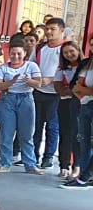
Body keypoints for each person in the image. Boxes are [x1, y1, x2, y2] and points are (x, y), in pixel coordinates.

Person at [0, 36, 49, 174]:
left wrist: (28, 81)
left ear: (24, 53)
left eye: (19, 53)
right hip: (7, 99)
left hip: (26, 99)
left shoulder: (31, 66)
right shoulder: (3, 68)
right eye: (13, 53)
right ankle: (5, 163)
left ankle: (30, 164)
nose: (16, 57)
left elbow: (38, 83)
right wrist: (11, 82)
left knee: (27, 134)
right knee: (6, 133)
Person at [32, 17, 68, 171]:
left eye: (53, 29)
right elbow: (31, 65)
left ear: (62, 30)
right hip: (38, 91)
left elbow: (71, 70)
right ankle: (33, 156)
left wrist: (52, 80)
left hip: (56, 94)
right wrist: (37, 79)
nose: (49, 32)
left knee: (53, 126)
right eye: (47, 29)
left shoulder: (66, 49)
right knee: (35, 125)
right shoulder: (40, 48)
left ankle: (48, 157)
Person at [61, 44, 93, 187]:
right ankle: (83, 175)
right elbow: (74, 85)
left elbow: (82, 87)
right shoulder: (86, 63)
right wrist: (83, 93)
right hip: (83, 104)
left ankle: (86, 177)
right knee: (83, 140)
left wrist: (83, 90)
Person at [56, 42, 85, 180]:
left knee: (80, 135)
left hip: (83, 103)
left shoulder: (86, 66)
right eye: (65, 52)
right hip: (65, 103)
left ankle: (78, 166)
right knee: (66, 134)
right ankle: (64, 165)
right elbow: (58, 87)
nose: (69, 54)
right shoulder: (62, 68)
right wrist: (73, 90)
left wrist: (74, 90)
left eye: (71, 51)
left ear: (78, 50)